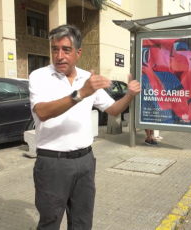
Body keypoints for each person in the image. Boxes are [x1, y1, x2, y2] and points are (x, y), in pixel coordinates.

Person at [29, 24, 141, 230]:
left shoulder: (87, 79)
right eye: (55, 49)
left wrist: (129, 95)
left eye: (66, 49)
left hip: (85, 161)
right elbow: (43, 112)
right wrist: (80, 93)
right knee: (50, 222)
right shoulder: (39, 76)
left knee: (82, 222)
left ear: (78, 52)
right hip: (53, 162)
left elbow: (114, 110)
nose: (59, 55)